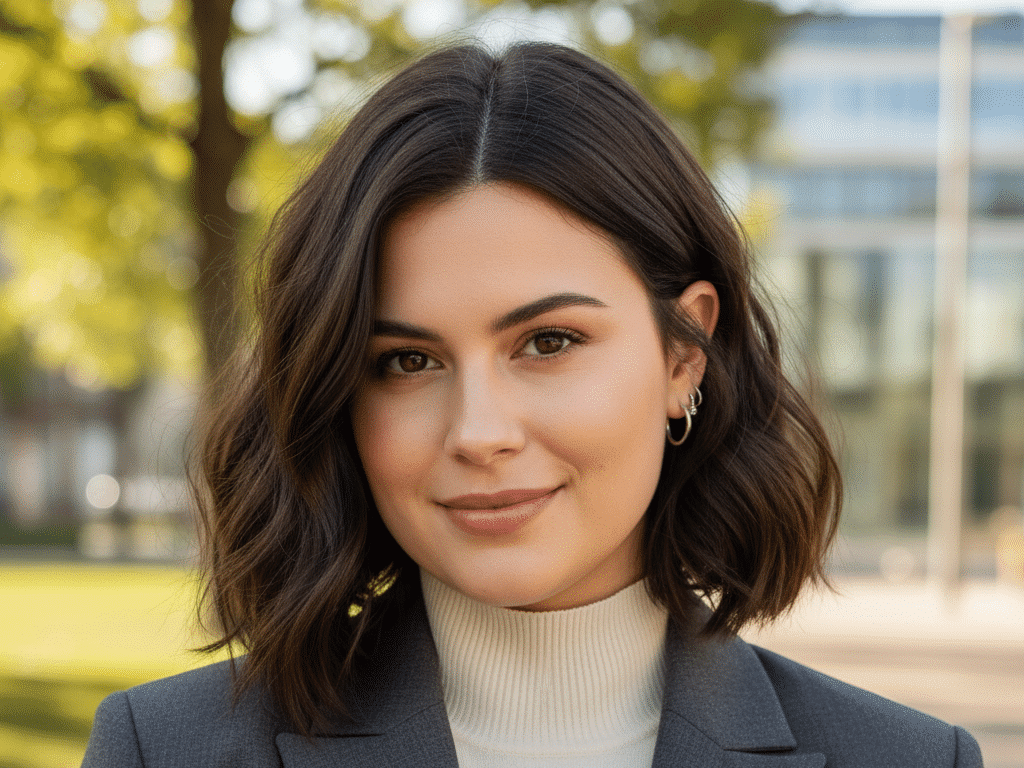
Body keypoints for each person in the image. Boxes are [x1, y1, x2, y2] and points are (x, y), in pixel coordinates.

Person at [82, 42, 983, 767]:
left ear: (683, 353)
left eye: (548, 343)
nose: (479, 432)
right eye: (405, 360)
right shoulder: (164, 749)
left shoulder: (908, 757)